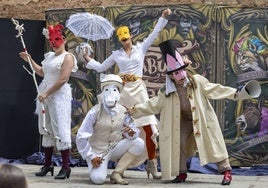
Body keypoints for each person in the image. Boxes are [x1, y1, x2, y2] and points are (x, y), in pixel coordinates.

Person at [128, 39, 260, 185]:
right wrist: (134, 110)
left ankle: (226, 172)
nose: (182, 74)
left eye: (182, 70)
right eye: (177, 72)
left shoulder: (196, 81)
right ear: (171, 75)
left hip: (202, 117)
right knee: (178, 141)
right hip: (183, 119)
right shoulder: (166, 92)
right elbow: (153, 104)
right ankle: (181, 173)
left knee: (213, 141)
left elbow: (215, 89)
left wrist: (237, 94)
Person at [83, 8, 172, 179]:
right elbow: (102, 67)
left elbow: (154, 33)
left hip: (139, 90)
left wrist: (162, 17)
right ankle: (117, 164)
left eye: (127, 38)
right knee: (120, 126)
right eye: (122, 40)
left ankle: (152, 165)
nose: (125, 42)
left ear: (130, 36)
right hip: (123, 91)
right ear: (120, 40)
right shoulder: (116, 54)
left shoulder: (141, 48)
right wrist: (89, 60)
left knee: (148, 126)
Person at [19, 23, 78, 179]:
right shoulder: (50, 57)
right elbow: (41, 72)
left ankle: (66, 167)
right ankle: (47, 165)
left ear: (64, 40)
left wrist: (47, 93)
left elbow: (63, 79)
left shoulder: (68, 57)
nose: (54, 43)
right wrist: (29, 60)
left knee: (60, 128)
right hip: (45, 95)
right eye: (51, 40)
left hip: (58, 97)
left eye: (57, 39)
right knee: (46, 129)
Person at [76, 74, 144, 185]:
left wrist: (131, 133)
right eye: (107, 89)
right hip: (97, 152)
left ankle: (117, 173)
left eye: (114, 89)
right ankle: (94, 168)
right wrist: (91, 156)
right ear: (103, 93)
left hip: (114, 148)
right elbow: (81, 136)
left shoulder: (123, 111)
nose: (110, 93)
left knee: (138, 143)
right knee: (99, 180)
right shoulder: (95, 111)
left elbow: (134, 130)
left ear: (119, 93)